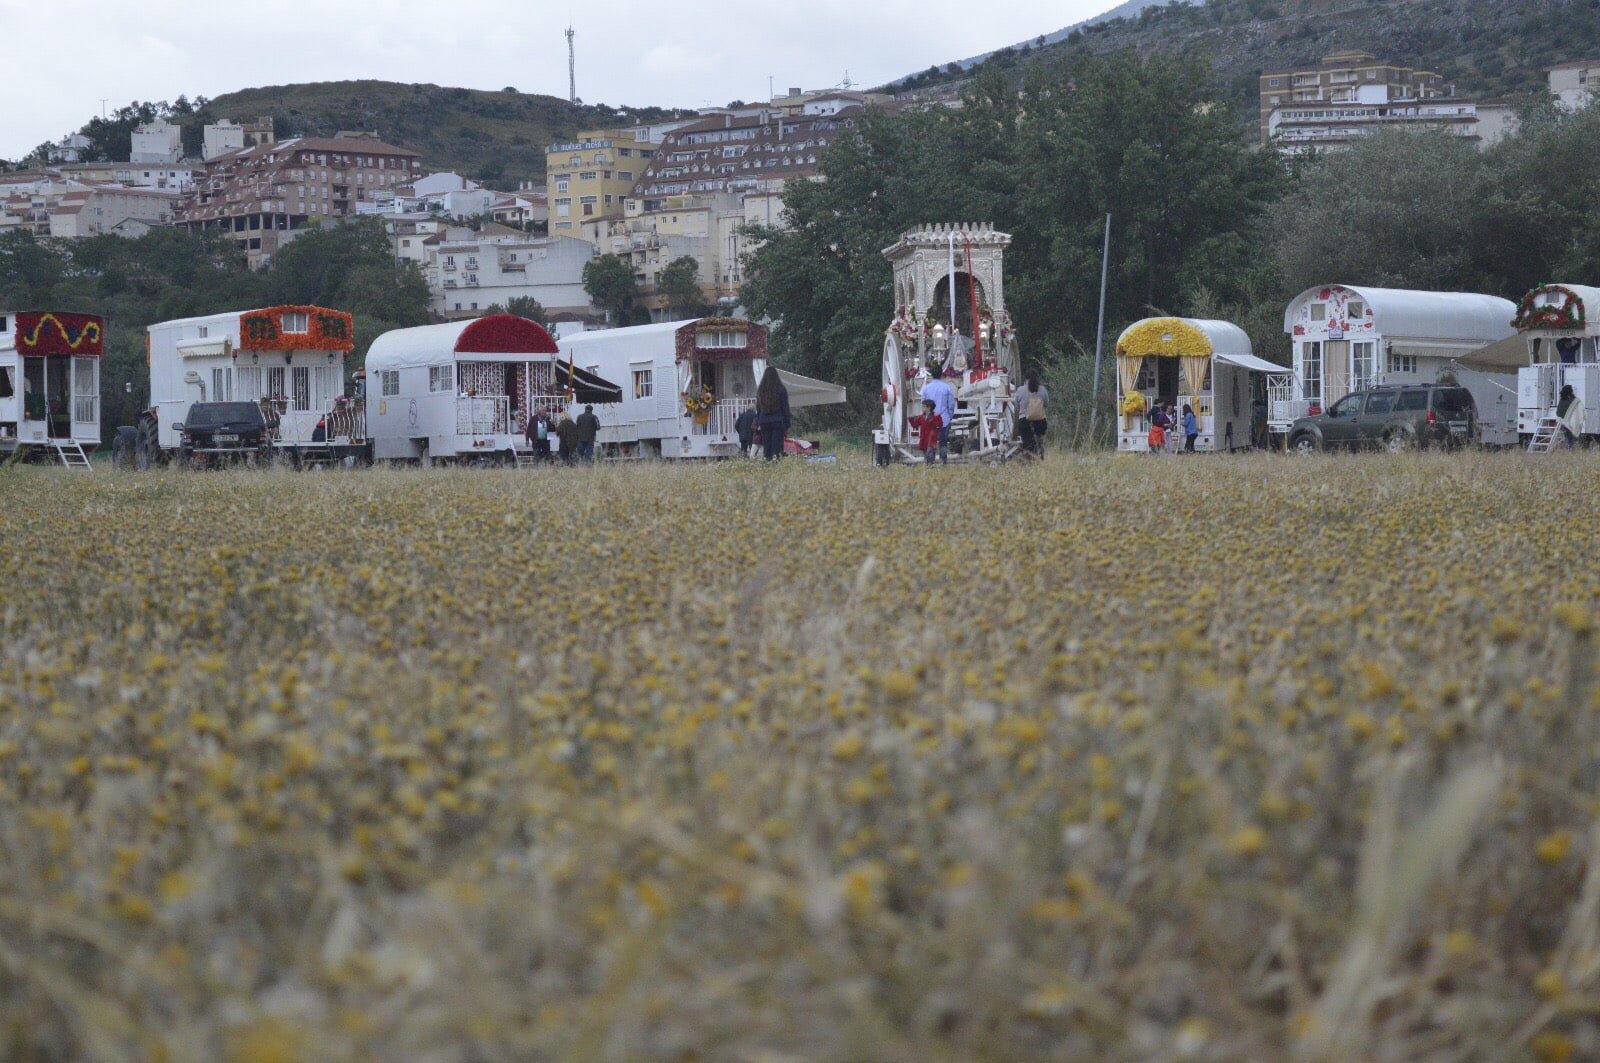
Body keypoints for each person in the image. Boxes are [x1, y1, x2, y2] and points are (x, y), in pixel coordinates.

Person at [754, 366, 790, 460]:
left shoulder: (760, 390)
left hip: (764, 420)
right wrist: (787, 422)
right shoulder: (781, 389)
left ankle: (767, 461)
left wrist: (759, 420)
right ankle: (775, 461)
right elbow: (785, 406)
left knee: (767, 444)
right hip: (777, 419)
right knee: (776, 444)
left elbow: (758, 407)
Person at [920, 371, 955, 464]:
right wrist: (950, 416)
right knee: (943, 442)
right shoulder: (946, 387)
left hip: (930, 420)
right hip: (944, 419)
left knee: (930, 441)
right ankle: (943, 461)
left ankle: (930, 461)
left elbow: (923, 403)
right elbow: (951, 404)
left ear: (931, 375)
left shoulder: (926, 388)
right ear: (942, 375)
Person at [1017, 370, 1048, 457]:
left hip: (1024, 422)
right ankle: (1040, 457)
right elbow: (1046, 404)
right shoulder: (1043, 390)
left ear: (1026, 379)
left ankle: (1030, 461)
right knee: (1040, 441)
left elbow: (1016, 405)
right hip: (1041, 422)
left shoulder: (1020, 390)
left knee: (1028, 446)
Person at [909, 399, 943, 465]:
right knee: (926, 455)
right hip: (924, 438)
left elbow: (940, 425)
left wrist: (938, 418)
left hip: (932, 438)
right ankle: (928, 467)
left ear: (929, 407)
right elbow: (915, 425)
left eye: (924, 406)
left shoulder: (935, 416)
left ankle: (931, 466)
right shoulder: (921, 417)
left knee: (930, 453)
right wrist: (911, 419)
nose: (922, 408)